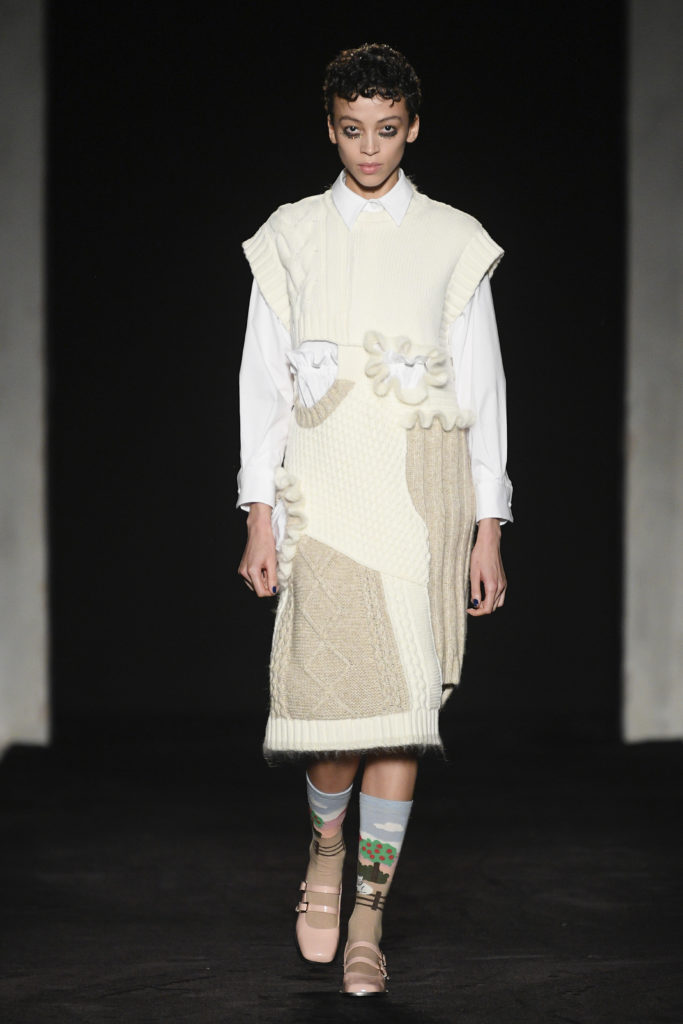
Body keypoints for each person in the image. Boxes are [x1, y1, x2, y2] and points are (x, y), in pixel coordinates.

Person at [237, 43, 512, 997]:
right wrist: (258, 515)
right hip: (325, 497)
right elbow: (261, 389)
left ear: (412, 127)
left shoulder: (452, 239)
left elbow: (482, 390)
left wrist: (488, 526)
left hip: (423, 498)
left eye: (386, 130)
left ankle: (366, 911)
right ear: (329, 128)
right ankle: (323, 856)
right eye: (352, 129)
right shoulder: (291, 237)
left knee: (402, 718)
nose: (368, 147)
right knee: (333, 712)